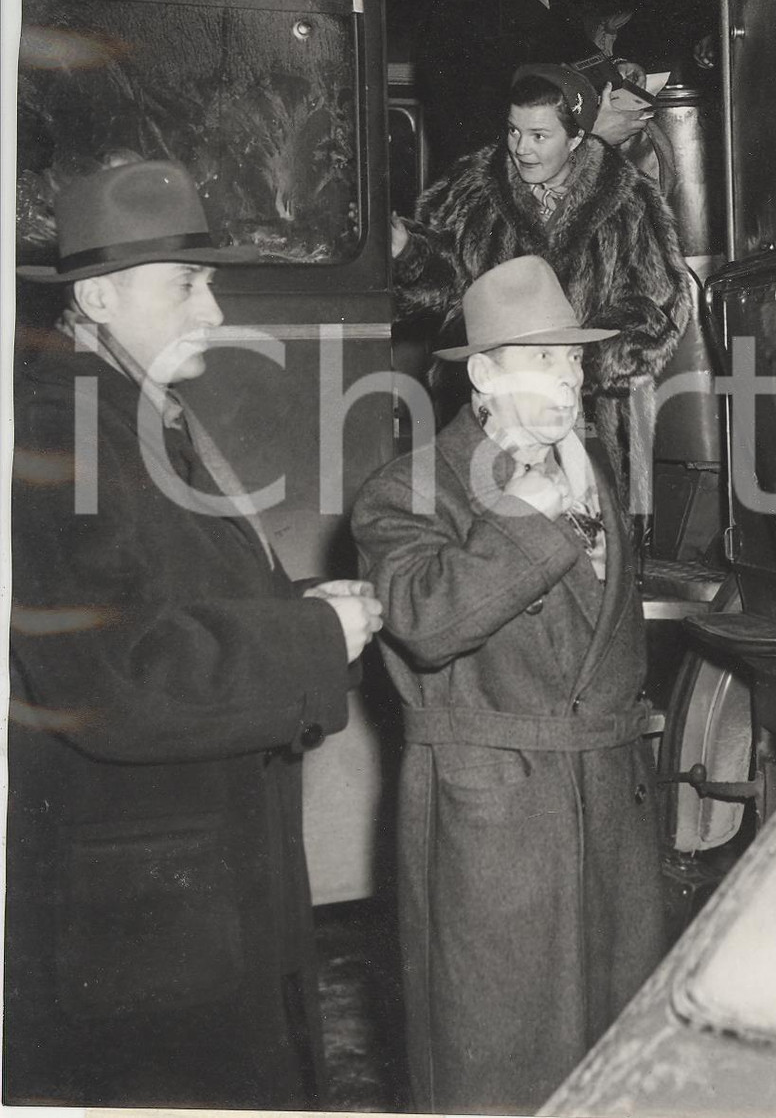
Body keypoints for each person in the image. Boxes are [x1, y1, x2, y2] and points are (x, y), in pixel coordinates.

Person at [6, 158, 384, 1109]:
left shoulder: (126, 412)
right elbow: (117, 679)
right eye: (187, 284)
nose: (213, 313)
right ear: (96, 296)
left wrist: (303, 603)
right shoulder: (63, 434)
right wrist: (309, 639)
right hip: (146, 939)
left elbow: (173, 596)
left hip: (178, 911)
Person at [352, 257, 668, 1115]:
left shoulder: (595, 468)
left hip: (607, 811)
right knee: (496, 1065)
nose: (569, 375)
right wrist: (528, 518)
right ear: (484, 373)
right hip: (490, 823)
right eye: (541, 357)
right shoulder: (407, 489)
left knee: (616, 1065)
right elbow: (422, 621)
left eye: (572, 358)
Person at [391, 62, 692, 498]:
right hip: (485, 402)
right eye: (514, 132)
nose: (521, 150)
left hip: (590, 412)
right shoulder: (473, 187)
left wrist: (571, 366)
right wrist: (409, 253)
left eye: (539, 136)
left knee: (589, 536)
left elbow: (658, 307)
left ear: (576, 138)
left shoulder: (629, 200)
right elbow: (449, 285)